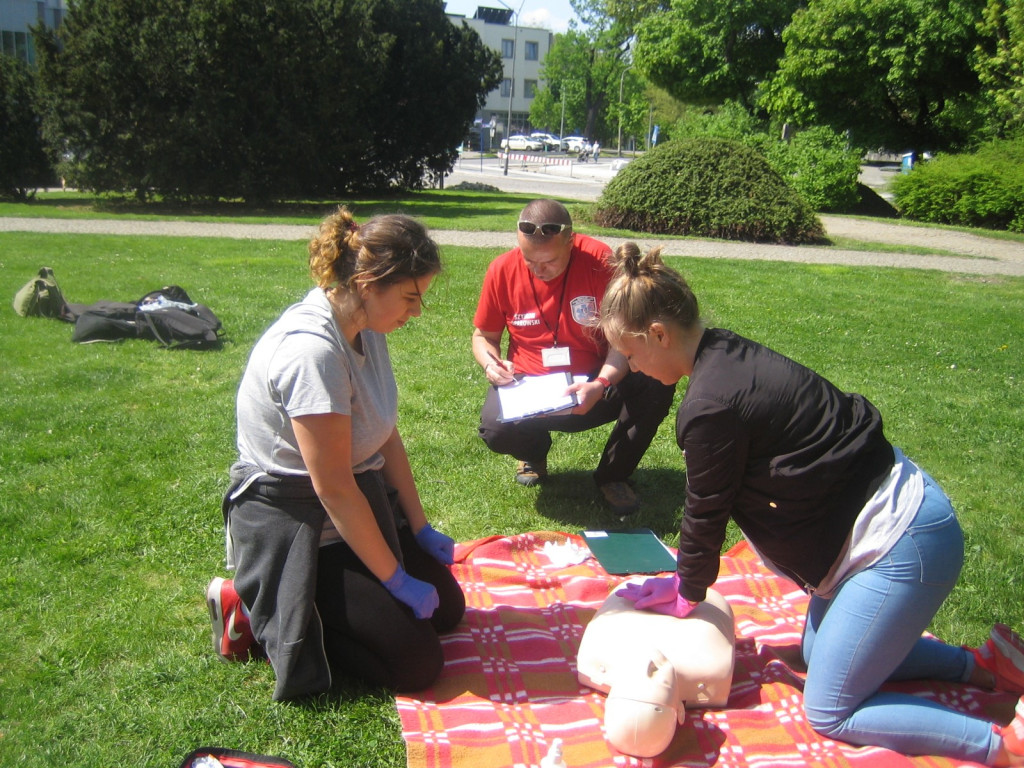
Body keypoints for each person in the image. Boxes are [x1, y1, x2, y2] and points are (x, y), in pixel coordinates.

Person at [600, 242, 1024, 765]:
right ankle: (984, 668)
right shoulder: (723, 351)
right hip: (892, 518)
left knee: (830, 710)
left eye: (634, 354)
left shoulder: (710, 405)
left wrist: (686, 592)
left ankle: (1002, 746)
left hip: (901, 541)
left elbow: (705, 507)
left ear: (659, 334)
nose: (634, 368)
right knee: (819, 655)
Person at [206, 207, 465, 701]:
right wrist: (394, 578)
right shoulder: (312, 353)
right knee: (417, 663)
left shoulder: (366, 323)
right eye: (410, 297)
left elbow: (385, 433)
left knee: (448, 610)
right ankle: (260, 608)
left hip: (353, 506)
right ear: (367, 282)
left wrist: (419, 525)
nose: (416, 312)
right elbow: (333, 488)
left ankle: (308, 602)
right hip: (301, 524)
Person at [471, 200, 676, 516]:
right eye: (529, 260)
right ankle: (535, 453)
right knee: (495, 429)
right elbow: (483, 336)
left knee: (655, 382)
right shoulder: (502, 269)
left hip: (596, 382)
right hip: (530, 386)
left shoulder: (600, 261)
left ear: (571, 241)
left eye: (550, 261)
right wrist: (491, 364)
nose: (539, 270)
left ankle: (613, 474)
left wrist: (601, 382)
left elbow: (626, 338)